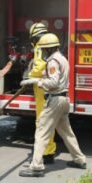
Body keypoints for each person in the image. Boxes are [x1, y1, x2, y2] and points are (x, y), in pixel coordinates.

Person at [18, 33, 87, 177]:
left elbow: (53, 82)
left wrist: (36, 81)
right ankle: (79, 160)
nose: (42, 52)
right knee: (67, 133)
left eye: (43, 49)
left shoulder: (52, 62)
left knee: (41, 131)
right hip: (64, 100)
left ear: (49, 49)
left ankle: (36, 167)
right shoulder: (62, 58)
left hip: (55, 100)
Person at [28, 22, 57, 164]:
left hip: (41, 88)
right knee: (50, 121)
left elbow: (39, 66)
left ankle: (45, 153)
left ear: (34, 37)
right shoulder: (49, 46)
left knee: (42, 121)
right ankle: (49, 150)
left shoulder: (39, 46)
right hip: (50, 87)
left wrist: (30, 76)